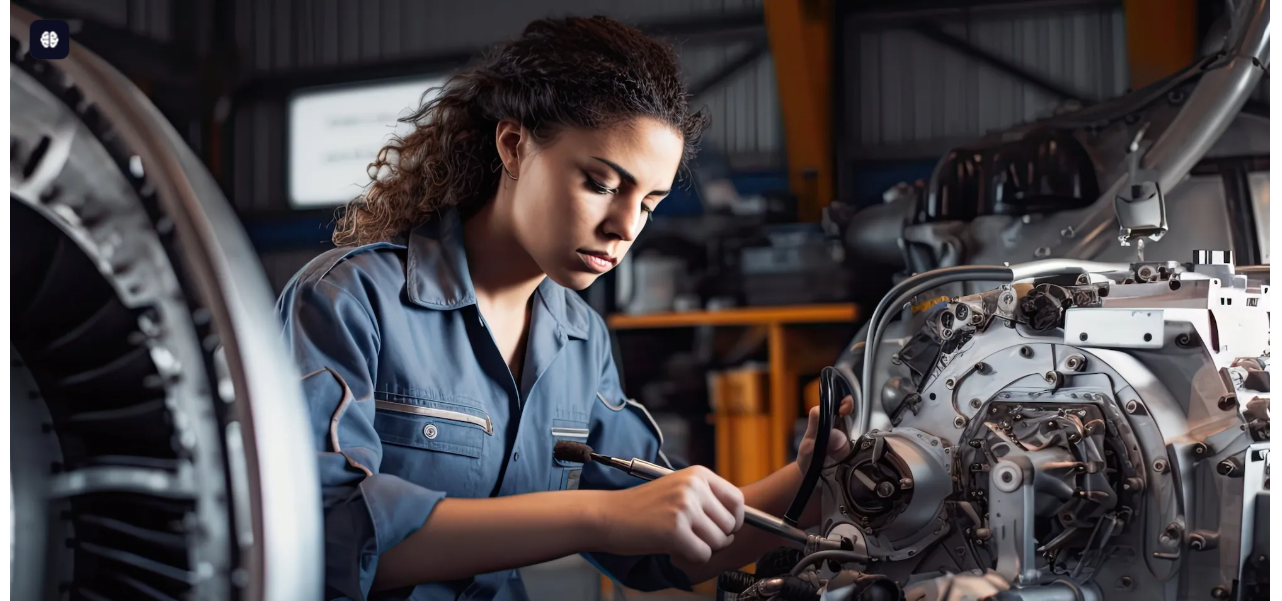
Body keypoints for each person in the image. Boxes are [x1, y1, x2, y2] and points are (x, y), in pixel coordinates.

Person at [276, 15, 853, 601]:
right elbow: (328, 534)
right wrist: (597, 516)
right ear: (513, 147)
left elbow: (660, 548)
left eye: (648, 203)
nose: (625, 227)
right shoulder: (349, 300)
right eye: (601, 184)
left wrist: (809, 485)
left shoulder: (580, 339)